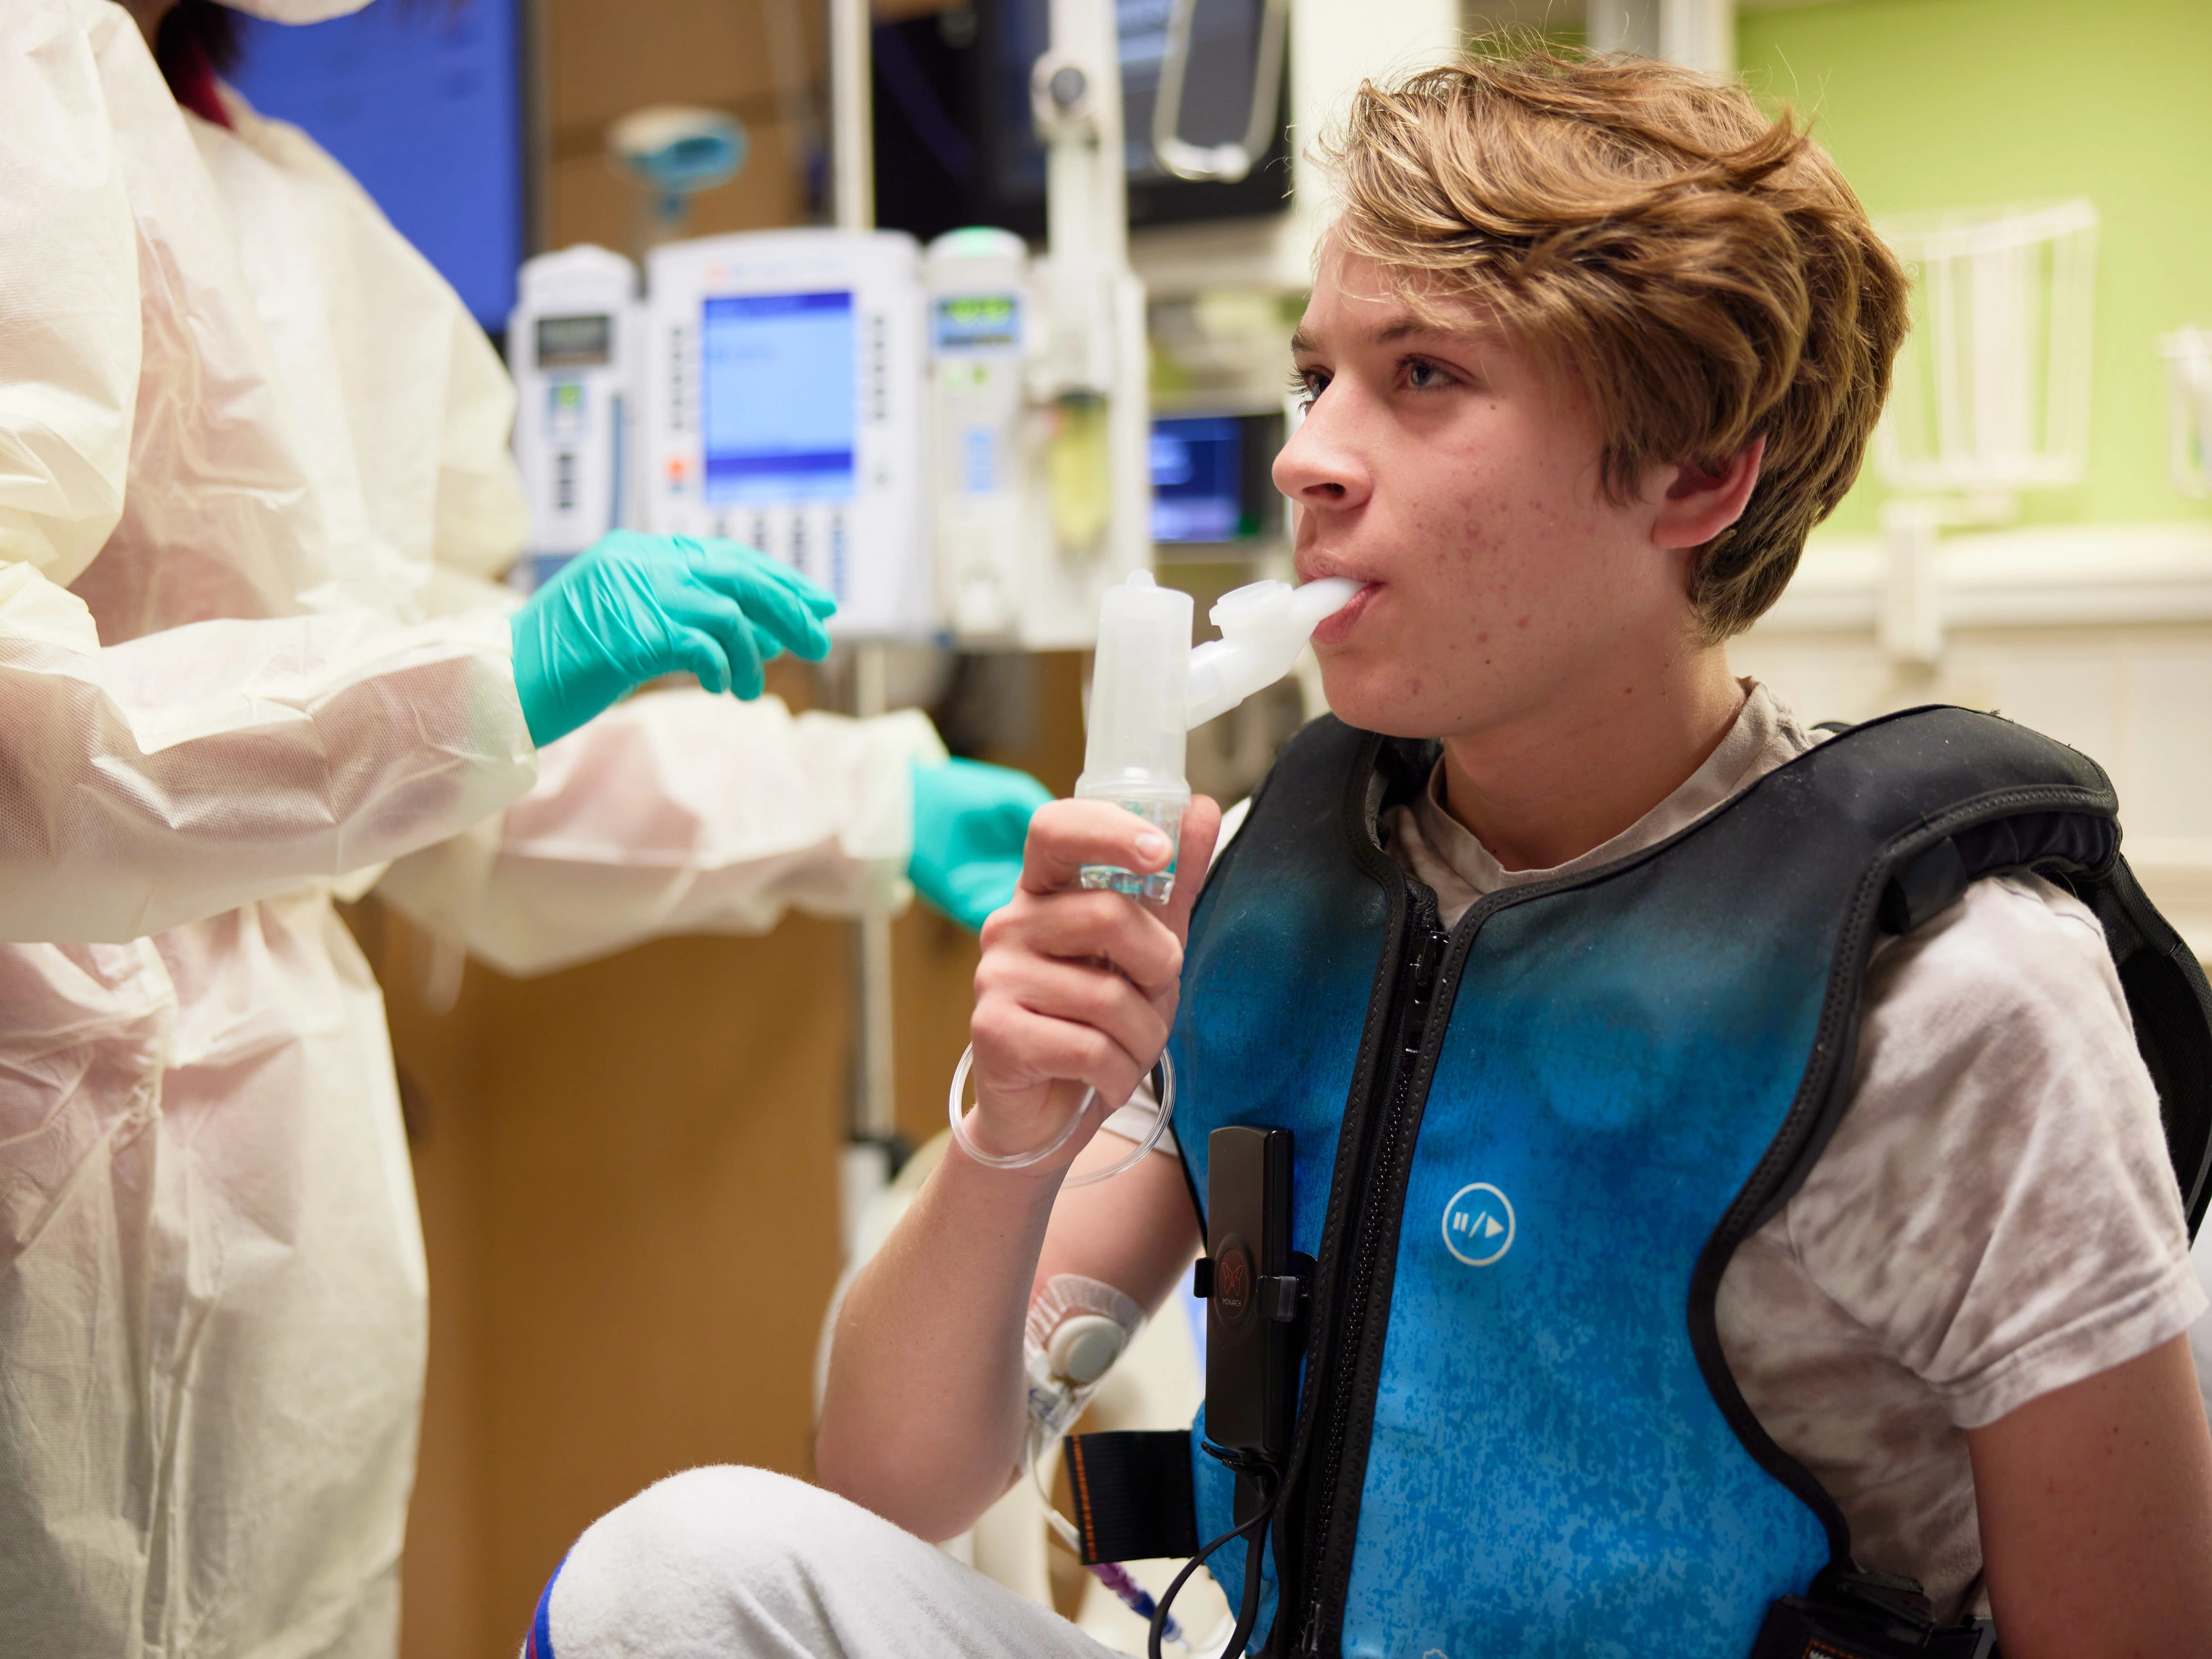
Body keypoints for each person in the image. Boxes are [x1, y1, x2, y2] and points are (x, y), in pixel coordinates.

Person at [532, 46, 2212, 1659]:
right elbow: (891, 1480)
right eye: (1315, 373)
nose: (1307, 457)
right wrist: (1014, 1131)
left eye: (1425, 376)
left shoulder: (1961, 1005)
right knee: (681, 1573)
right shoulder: (1274, 885)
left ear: (1697, 471)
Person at [0, 0, 1046, 1655]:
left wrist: (865, 798)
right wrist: (478, 677)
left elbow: (445, 771)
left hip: (287, 1227)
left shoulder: (302, 218)